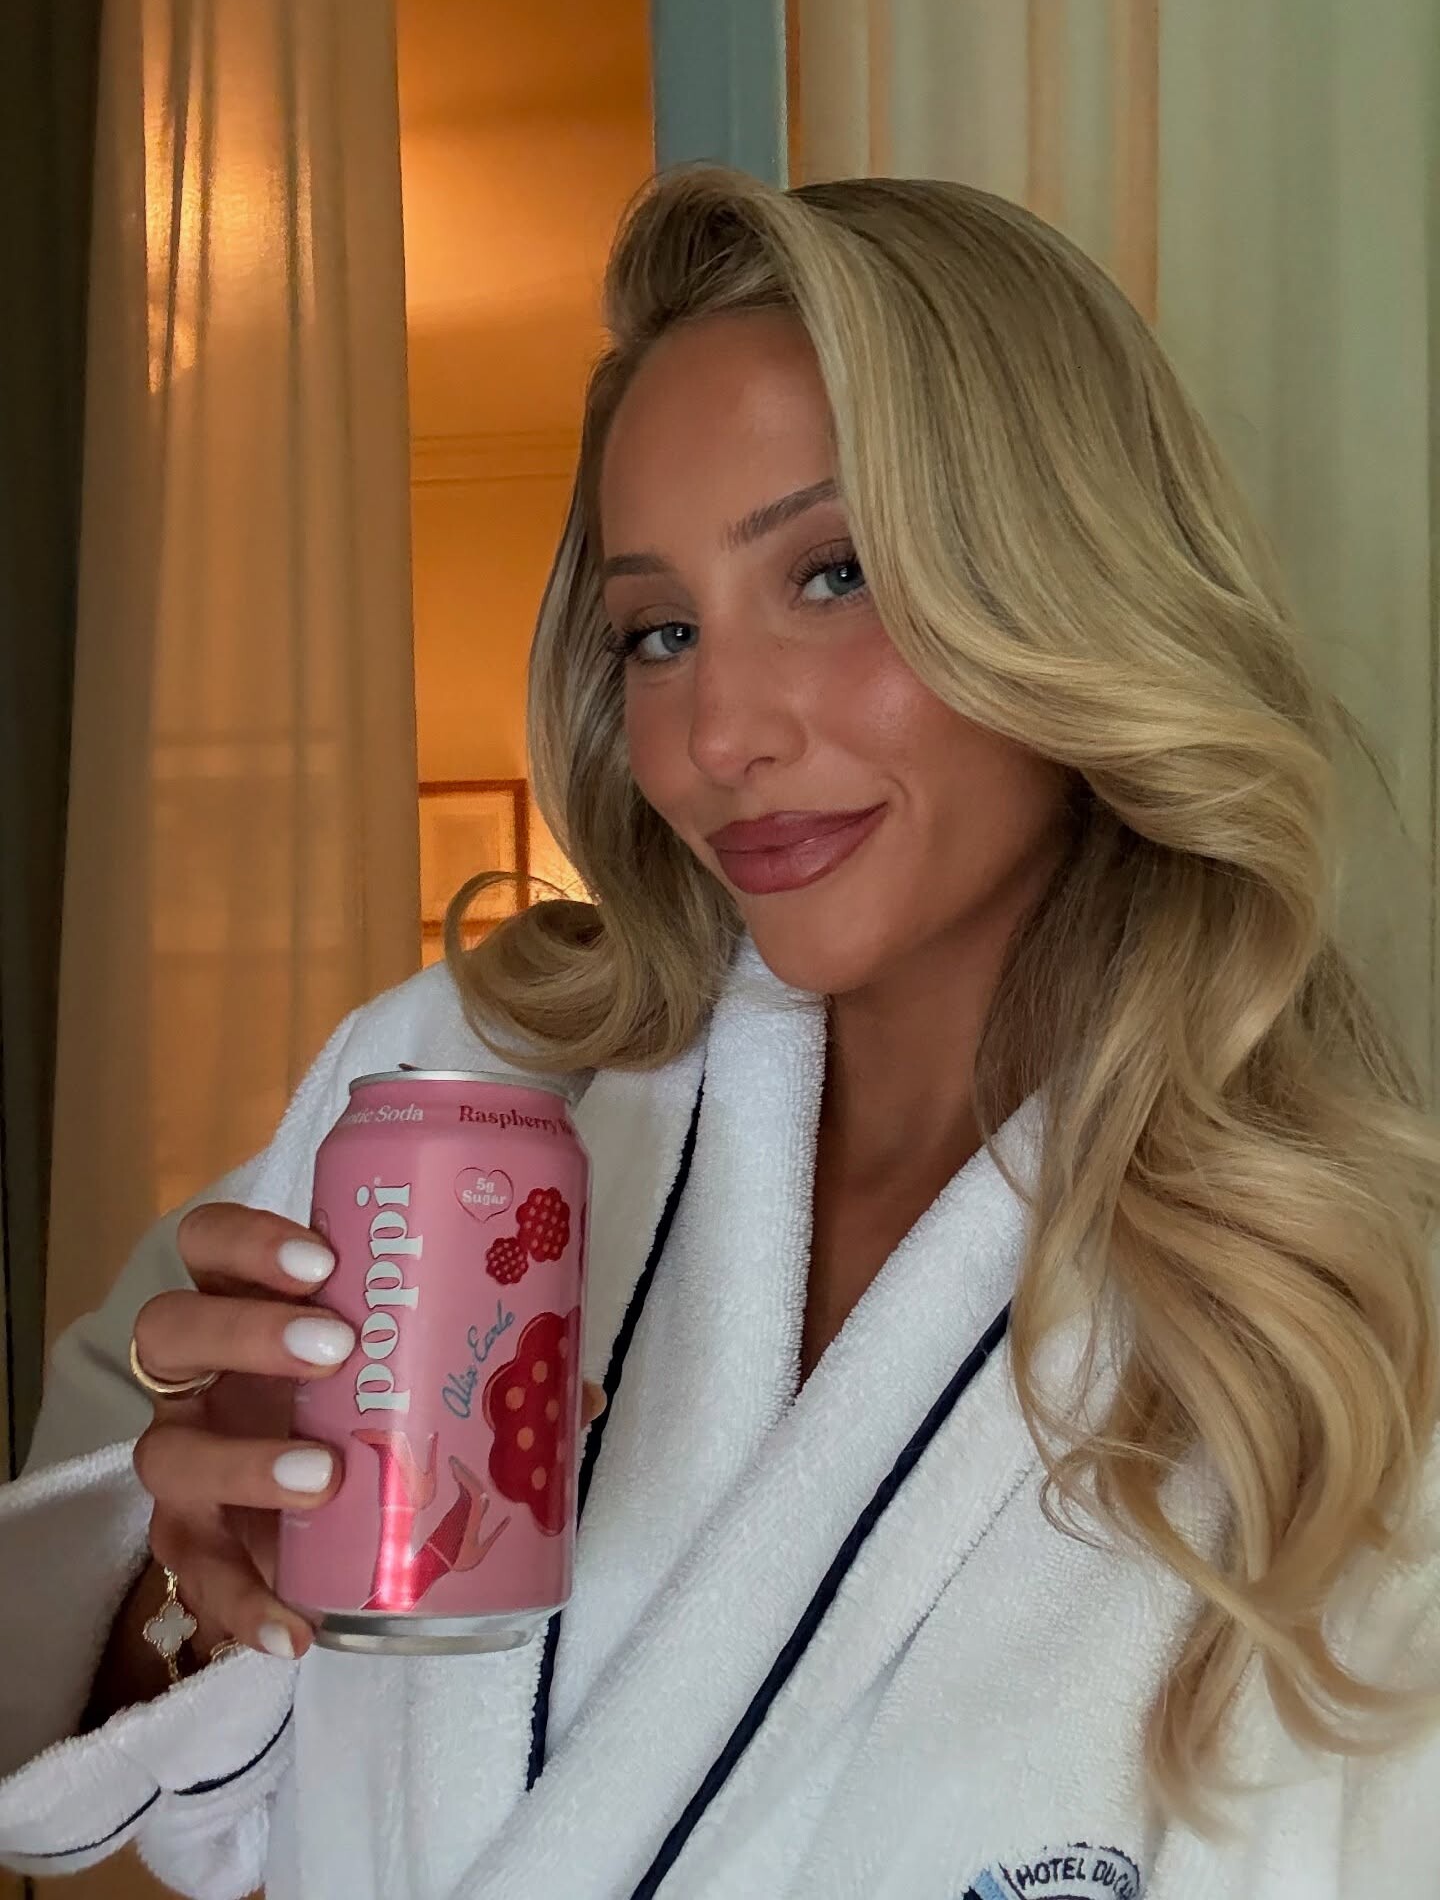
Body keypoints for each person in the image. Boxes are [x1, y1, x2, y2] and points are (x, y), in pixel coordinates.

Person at [1, 162, 1437, 1900]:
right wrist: (201, 1579)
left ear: (1070, 585)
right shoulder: (469, 1079)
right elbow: (189, 1784)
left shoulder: (1340, 1334)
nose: (714, 736)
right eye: (660, 632)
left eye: (834, 574)